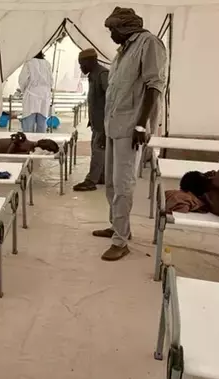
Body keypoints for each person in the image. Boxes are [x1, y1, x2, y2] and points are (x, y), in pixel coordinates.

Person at [92, 7, 167, 261]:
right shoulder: (123, 51)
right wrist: (103, 129)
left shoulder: (149, 44)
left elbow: (154, 86)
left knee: (123, 184)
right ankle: (118, 226)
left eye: (112, 29)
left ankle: (120, 241)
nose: (111, 34)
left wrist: (141, 125)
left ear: (125, 27)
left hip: (131, 127)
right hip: (114, 125)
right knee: (112, 183)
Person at [73, 48, 109, 192]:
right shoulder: (94, 75)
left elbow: (111, 101)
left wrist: (106, 127)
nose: (81, 67)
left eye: (82, 64)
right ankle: (101, 176)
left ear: (90, 61)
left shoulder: (102, 74)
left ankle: (91, 181)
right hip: (97, 121)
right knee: (99, 149)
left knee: (98, 150)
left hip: (103, 122)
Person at [18, 51, 53, 133]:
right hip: (45, 96)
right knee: (42, 123)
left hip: (31, 95)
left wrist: (24, 90)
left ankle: (28, 140)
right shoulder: (47, 64)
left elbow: (22, 80)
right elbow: (51, 81)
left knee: (28, 124)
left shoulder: (29, 63)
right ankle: (41, 140)